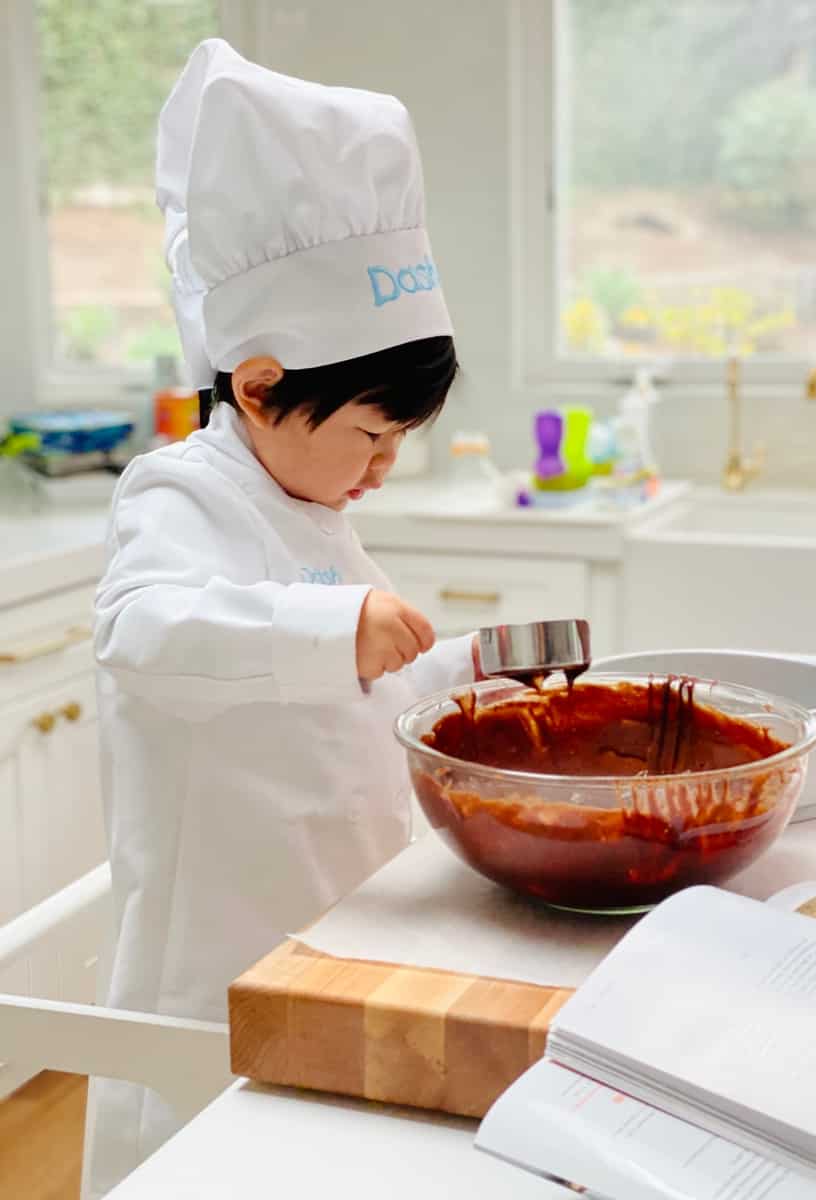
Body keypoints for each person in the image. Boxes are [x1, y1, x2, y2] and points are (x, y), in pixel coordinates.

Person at [81, 38, 477, 1198]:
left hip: (330, 927)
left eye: (398, 444)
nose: (381, 471)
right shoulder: (180, 495)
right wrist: (335, 631)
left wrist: (464, 671)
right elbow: (143, 634)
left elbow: (357, 680)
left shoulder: (309, 502)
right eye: (370, 436)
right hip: (217, 968)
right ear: (257, 386)